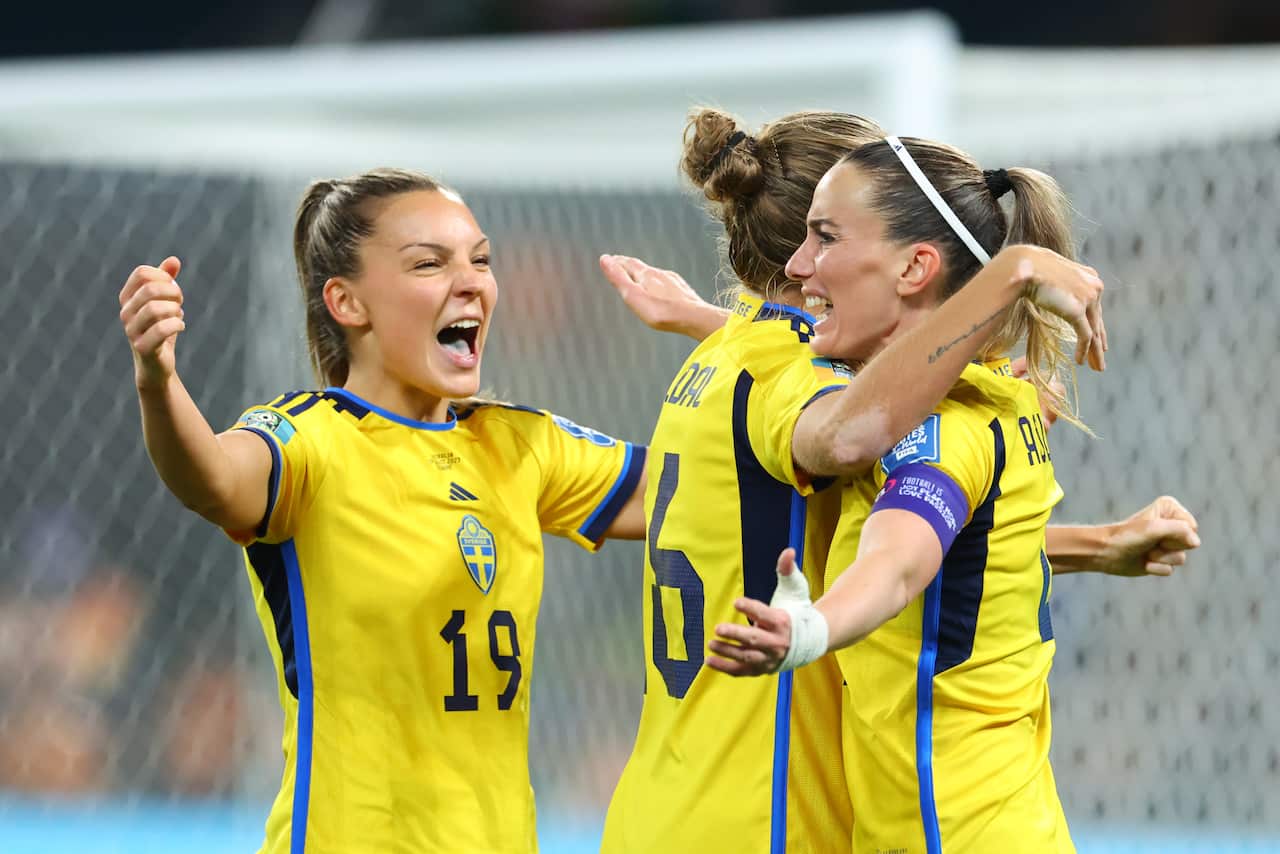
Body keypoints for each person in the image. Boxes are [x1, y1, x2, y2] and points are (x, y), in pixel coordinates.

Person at [601, 110, 1199, 854]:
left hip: (904, 825)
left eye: (828, 237)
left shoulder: (886, 412)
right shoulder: (955, 402)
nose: (806, 265)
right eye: (811, 235)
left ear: (911, 265)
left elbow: (901, 559)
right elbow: (906, 517)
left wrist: (812, 627)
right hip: (817, 821)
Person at [117, 168, 648, 853]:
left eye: (480, 260)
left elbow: (695, 492)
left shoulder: (520, 445)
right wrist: (157, 379)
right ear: (347, 302)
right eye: (429, 264)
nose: (471, 283)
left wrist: (727, 332)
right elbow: (213, 479)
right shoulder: (312, 440)